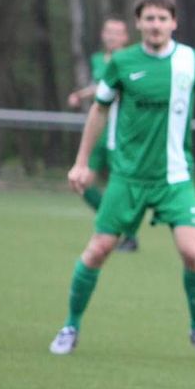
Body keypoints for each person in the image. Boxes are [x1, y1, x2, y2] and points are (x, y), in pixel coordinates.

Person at [50, 0, 195, 362]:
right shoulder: (121, 62)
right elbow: (99, 110)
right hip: (128, 177)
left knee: (193, 253)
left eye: (162, 18)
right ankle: (70, 326)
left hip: (175, 178)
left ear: (174, 22)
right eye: (149, 18)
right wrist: (82, 162)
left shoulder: (193, 61)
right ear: (138, 23)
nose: (156, 24)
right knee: (97, 250)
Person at [66, 16, 139, 252]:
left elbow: (109, 87)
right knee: (82, 183)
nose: (112, 36)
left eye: (117, 32)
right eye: (109, 31)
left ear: (125, 37)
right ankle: (114, 223)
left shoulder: (132, 60)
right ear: (102, 35)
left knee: (123, 187)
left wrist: (81, 95)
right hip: (99, 133)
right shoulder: (98, 60)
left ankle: (129, 236)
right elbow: (100, 87)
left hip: (123, 134)